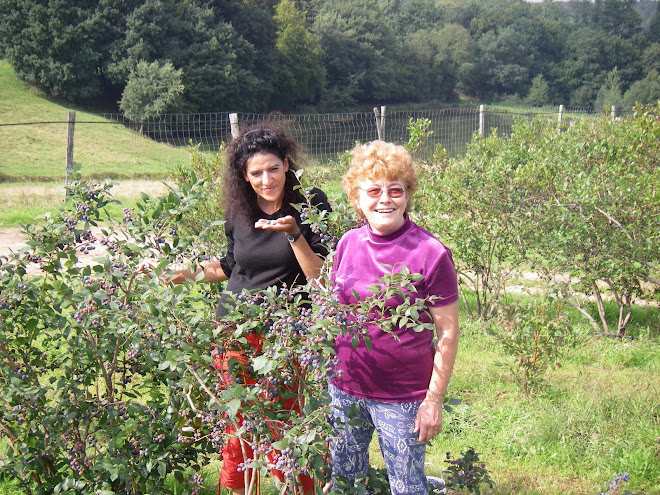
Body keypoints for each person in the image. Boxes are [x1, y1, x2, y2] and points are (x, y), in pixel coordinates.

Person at [142, 125, 330, 495]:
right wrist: (185, 274)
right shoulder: (240, 210)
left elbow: (319, 277)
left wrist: (294, 234)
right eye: (256, 172)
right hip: (235, 328)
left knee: (283, 416)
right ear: (244, 175)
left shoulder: (309, 202)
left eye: (273, 169)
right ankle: (243, 490)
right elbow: (231, 266)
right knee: (239, 419)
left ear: (287, 165)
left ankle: (296, 488)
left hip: (286, 332)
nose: (266, 179)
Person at [328, 140, 459, 495]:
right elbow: (334, 311)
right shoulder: (347, 243)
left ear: (407, 195)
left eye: (395, 190)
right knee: (344, 482)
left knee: (406, 486)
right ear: (357, 198)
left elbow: (447, 332)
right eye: (373, 190)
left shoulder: (430, 253)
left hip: (402, 396)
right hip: (344, 388)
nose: (385, 198)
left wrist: (433, 401)